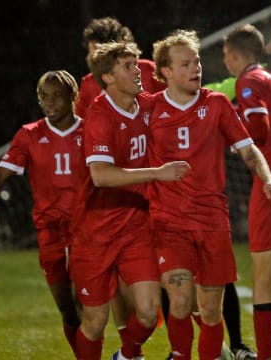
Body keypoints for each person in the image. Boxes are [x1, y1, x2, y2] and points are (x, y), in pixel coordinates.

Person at [148, 29, 271, 360]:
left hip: (212, 222)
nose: (196, 68)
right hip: (170, 222)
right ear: (165, 71)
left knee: (210, 311)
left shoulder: (217, 104)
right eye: (185, 63)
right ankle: (180, 355)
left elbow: (249, 150)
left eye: (197, 61)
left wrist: (268, 178)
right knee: (180, 300)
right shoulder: (147, 110)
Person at [69, 41, 191, 360]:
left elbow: (184, 104)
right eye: (128, 66)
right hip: (95, 232)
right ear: (108, 78)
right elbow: (101, 176)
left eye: (136, 64)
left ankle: (125, 356)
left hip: (136, 228)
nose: (137, 70)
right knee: (95, 322)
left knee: (150, 312)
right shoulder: (99, 116)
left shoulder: (146, 106)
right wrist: (158, 174)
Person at [0, 70, 84, 357]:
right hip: (50, 231)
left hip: (87, 229)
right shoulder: (30, 135)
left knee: (87, 304)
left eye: (57, 96)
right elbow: (0, 174)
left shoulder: (92, 130)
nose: (50, 103)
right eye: (44, 97)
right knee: (67, 311)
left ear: (73, 96)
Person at [223, 24, 271, 360]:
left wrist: (235, 141)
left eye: (226, 55)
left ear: (236, 56)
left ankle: (264, 356)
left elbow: (259, 127)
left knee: (263, 270)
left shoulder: (247, 81)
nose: (224, 61)